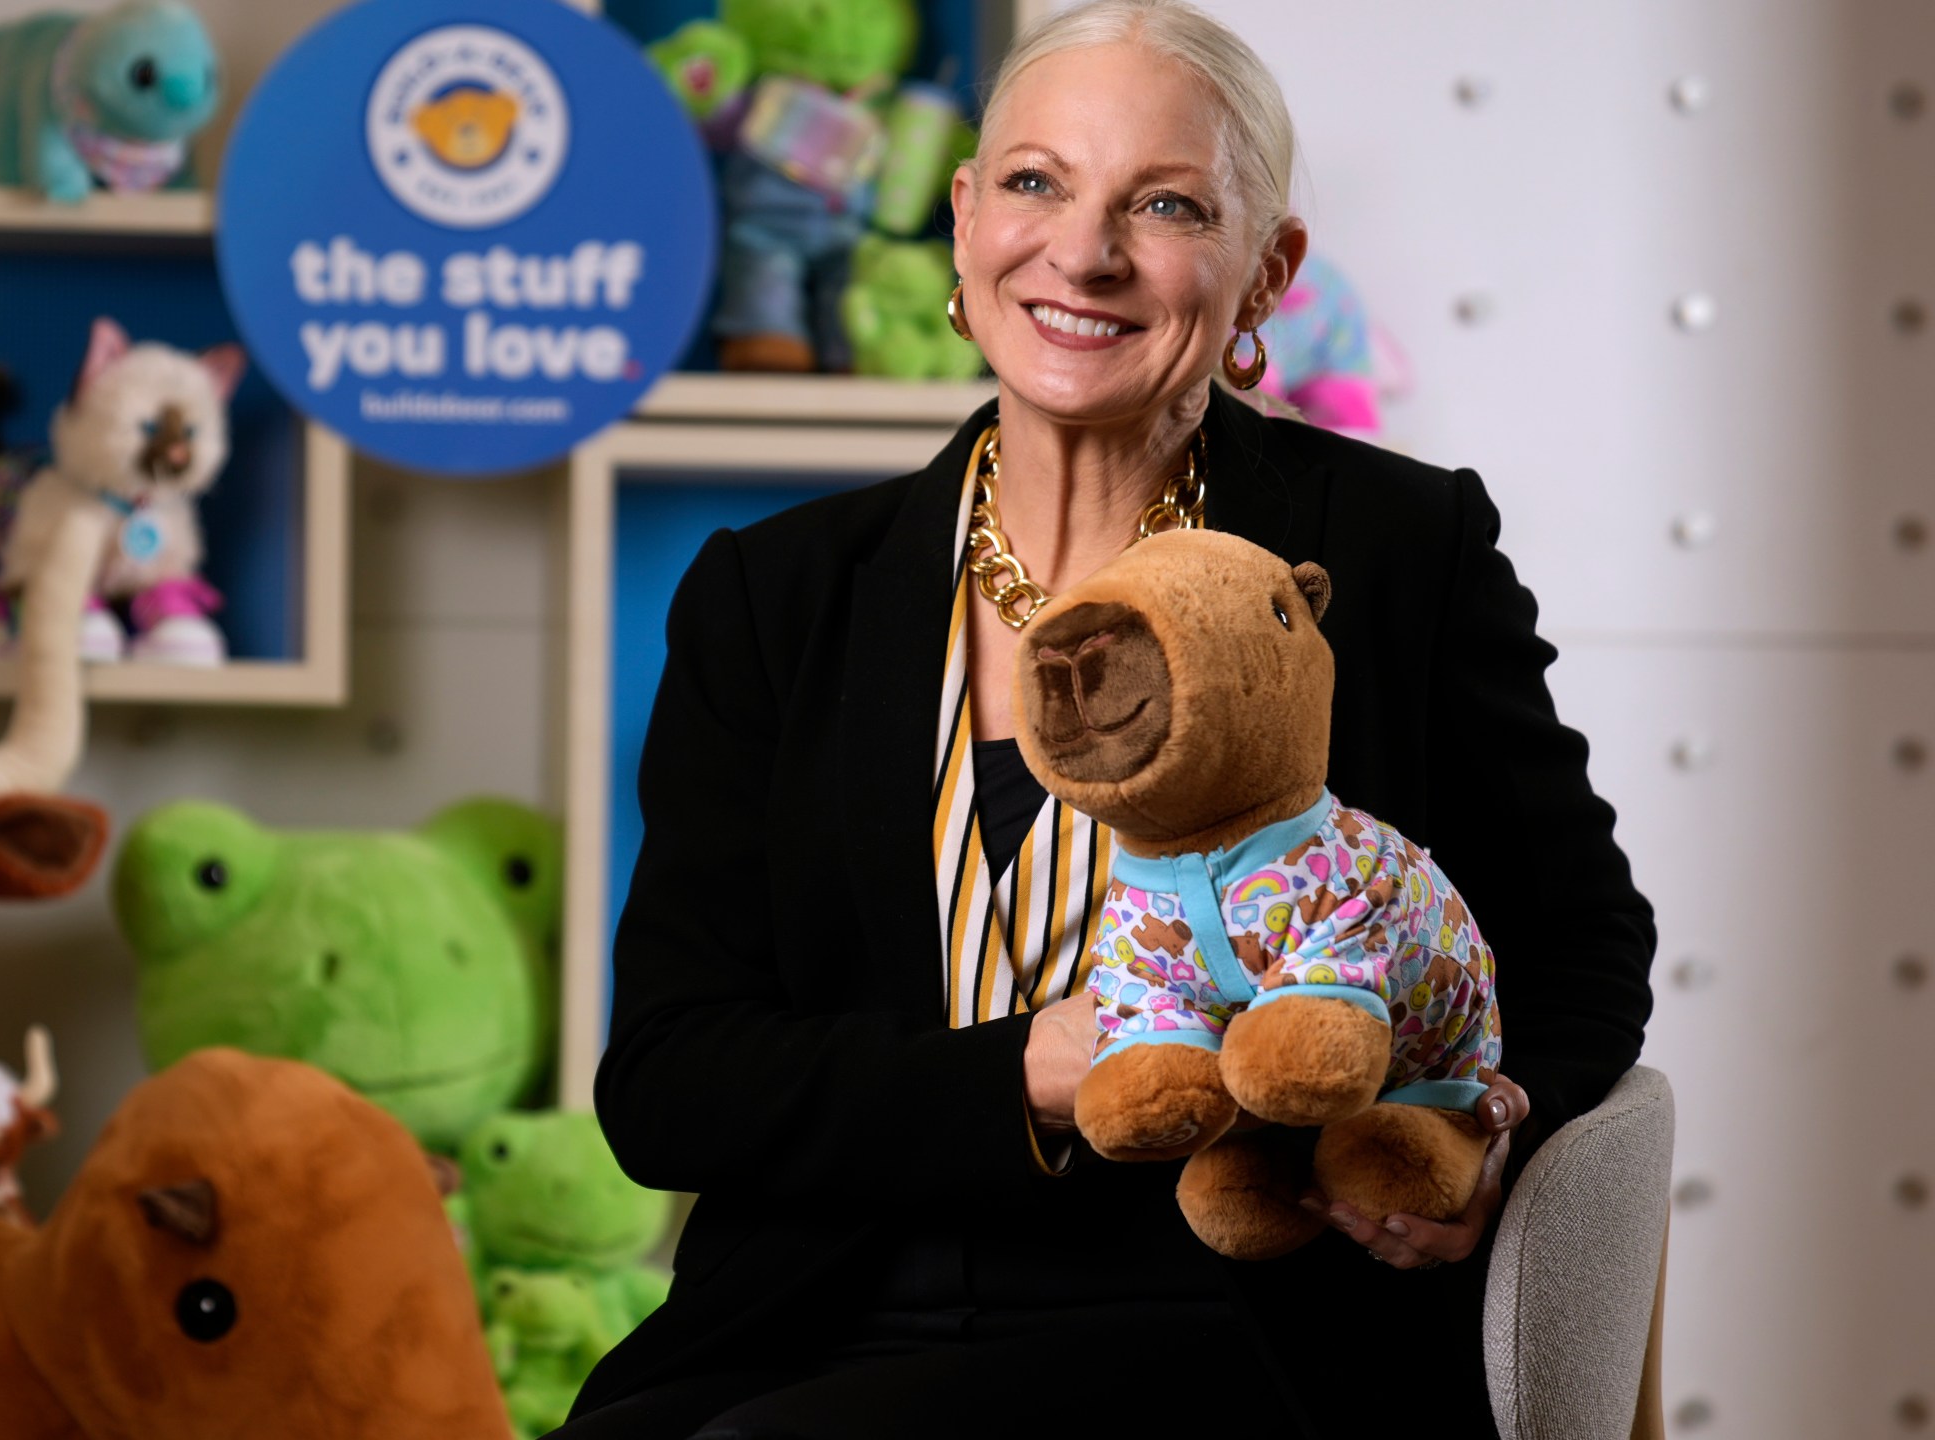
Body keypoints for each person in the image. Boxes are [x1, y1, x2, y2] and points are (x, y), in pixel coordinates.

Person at [550, 2, 1657, 1436]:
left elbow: (1581, 942)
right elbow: (672, 1081)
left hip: (1240, 1322)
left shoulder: (1390, 549)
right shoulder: (776, 594)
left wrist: (1485, 1127)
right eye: (1034, 182)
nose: (1083, 251)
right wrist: (1030, 1074)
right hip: (813, 1307)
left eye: (1167, 204)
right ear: (961, 220)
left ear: (1267, 272)